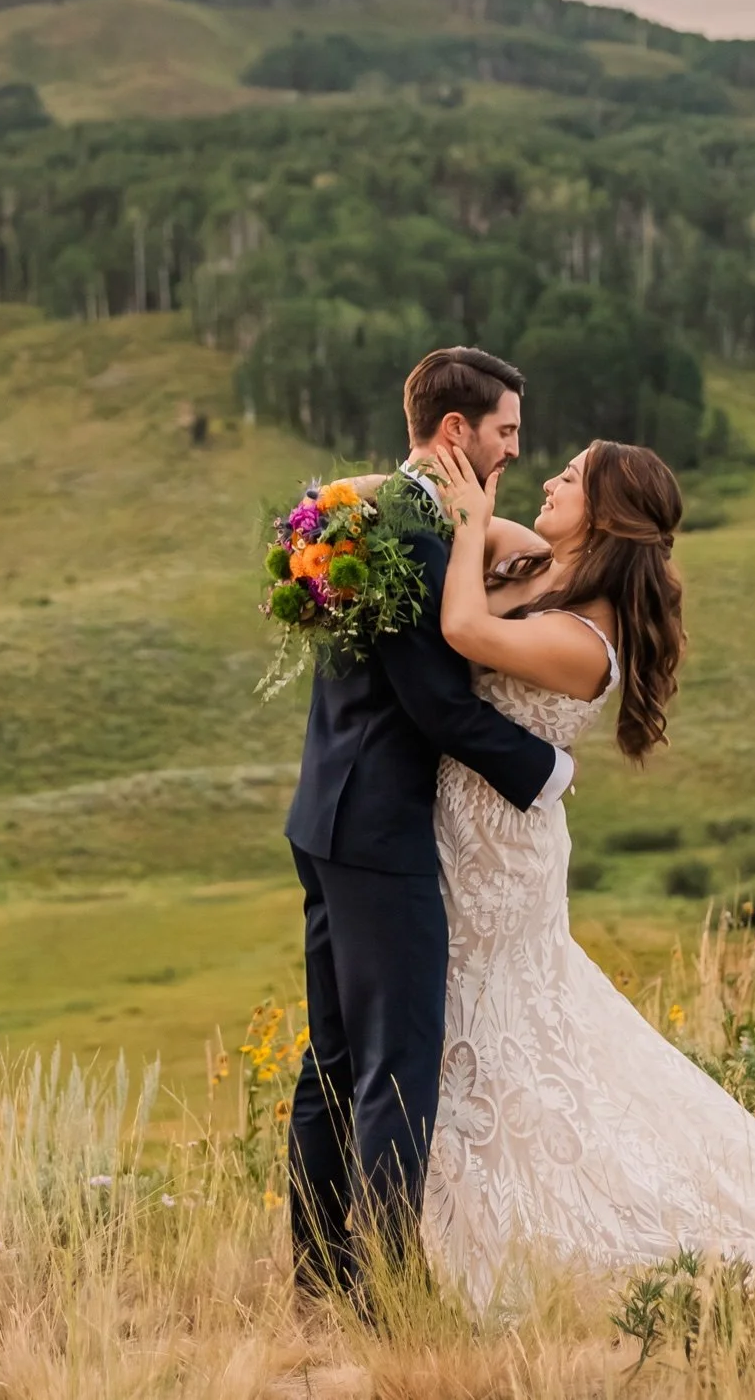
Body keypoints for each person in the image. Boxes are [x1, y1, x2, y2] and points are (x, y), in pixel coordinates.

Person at [421, 437, 755, 1311]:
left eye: (573, 475)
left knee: (484, 1023)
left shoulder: (586, 640)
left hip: (499, 858)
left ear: (606, 514)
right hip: (462, 835)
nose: (551, 476)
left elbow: (463, 630)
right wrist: (331, 513)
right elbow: (433, 507)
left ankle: (489, 1224)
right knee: (479, 1022)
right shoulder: (539, 564)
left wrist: (476, 518)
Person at [284, 346, 570, 1301]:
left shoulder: (371, 508)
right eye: (505, 434)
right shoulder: (413, 531)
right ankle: (392, 1296)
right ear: (457, 431)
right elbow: (440, 708)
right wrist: (548, 768)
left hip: (325, 809)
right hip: (376, 829)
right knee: (396, 1061)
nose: (513, 454)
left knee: (334, 1057)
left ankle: (321, 1274)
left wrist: (499, 542)